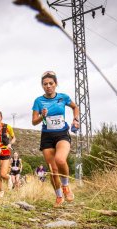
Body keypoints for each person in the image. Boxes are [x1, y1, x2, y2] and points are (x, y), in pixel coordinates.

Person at [32, 70, 79, 207]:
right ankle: (59, 196)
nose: (48, 86)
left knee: (60, 160)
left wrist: (75, 119)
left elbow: (75, 107)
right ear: (42, 86)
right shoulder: (38, 101)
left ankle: (65, 186)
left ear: (56, 84)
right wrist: (42, 116)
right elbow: (34, 121)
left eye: (51, 83)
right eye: (45, 84)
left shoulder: (63, 97)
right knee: (53, 169)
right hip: (47, 136)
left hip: (62, 133)